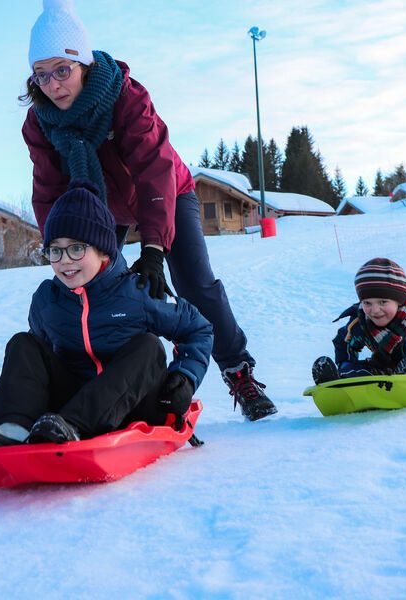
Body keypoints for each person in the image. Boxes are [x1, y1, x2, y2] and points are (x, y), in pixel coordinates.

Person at [18, 0, 276, 421]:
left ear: (82, 64)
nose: (52, 85)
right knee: (99, 292)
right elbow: (49, 191)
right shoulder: (39, 123)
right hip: (100, 213)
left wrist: (154, 250)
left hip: (167, 193)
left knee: (194, 283)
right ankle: (106, 387)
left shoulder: (125, 96)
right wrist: (61, 249)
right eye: (41, 75)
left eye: (62, 70)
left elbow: (155, 170)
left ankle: (238, 370)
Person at [0, 179, 213, 452]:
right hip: (66, 412)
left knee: (149, 347)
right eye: (55, 250)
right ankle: (13, 428)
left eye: (76, 248)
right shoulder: (47, 300)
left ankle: (73, 427)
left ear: (103, 251)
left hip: (136, 406)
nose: (64, 260)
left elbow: (198, 329)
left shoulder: (138, 291)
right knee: (24, 344)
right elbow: (35, 367)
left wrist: (185, 377)